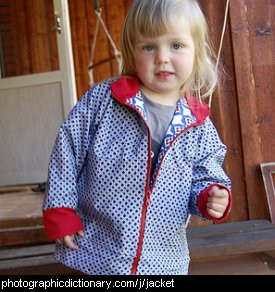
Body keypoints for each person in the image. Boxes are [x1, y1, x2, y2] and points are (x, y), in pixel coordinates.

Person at [43, 0, 232, 275]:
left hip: (163, 262)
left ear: (197, 51)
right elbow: (67, 152)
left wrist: (210, 196)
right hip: (96, 251)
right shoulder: (103, 101)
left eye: (176, 46)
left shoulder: (198, 125)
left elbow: (206, 178)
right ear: (132, 52)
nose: (163, 57)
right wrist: (60, 210)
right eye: (149, 47)